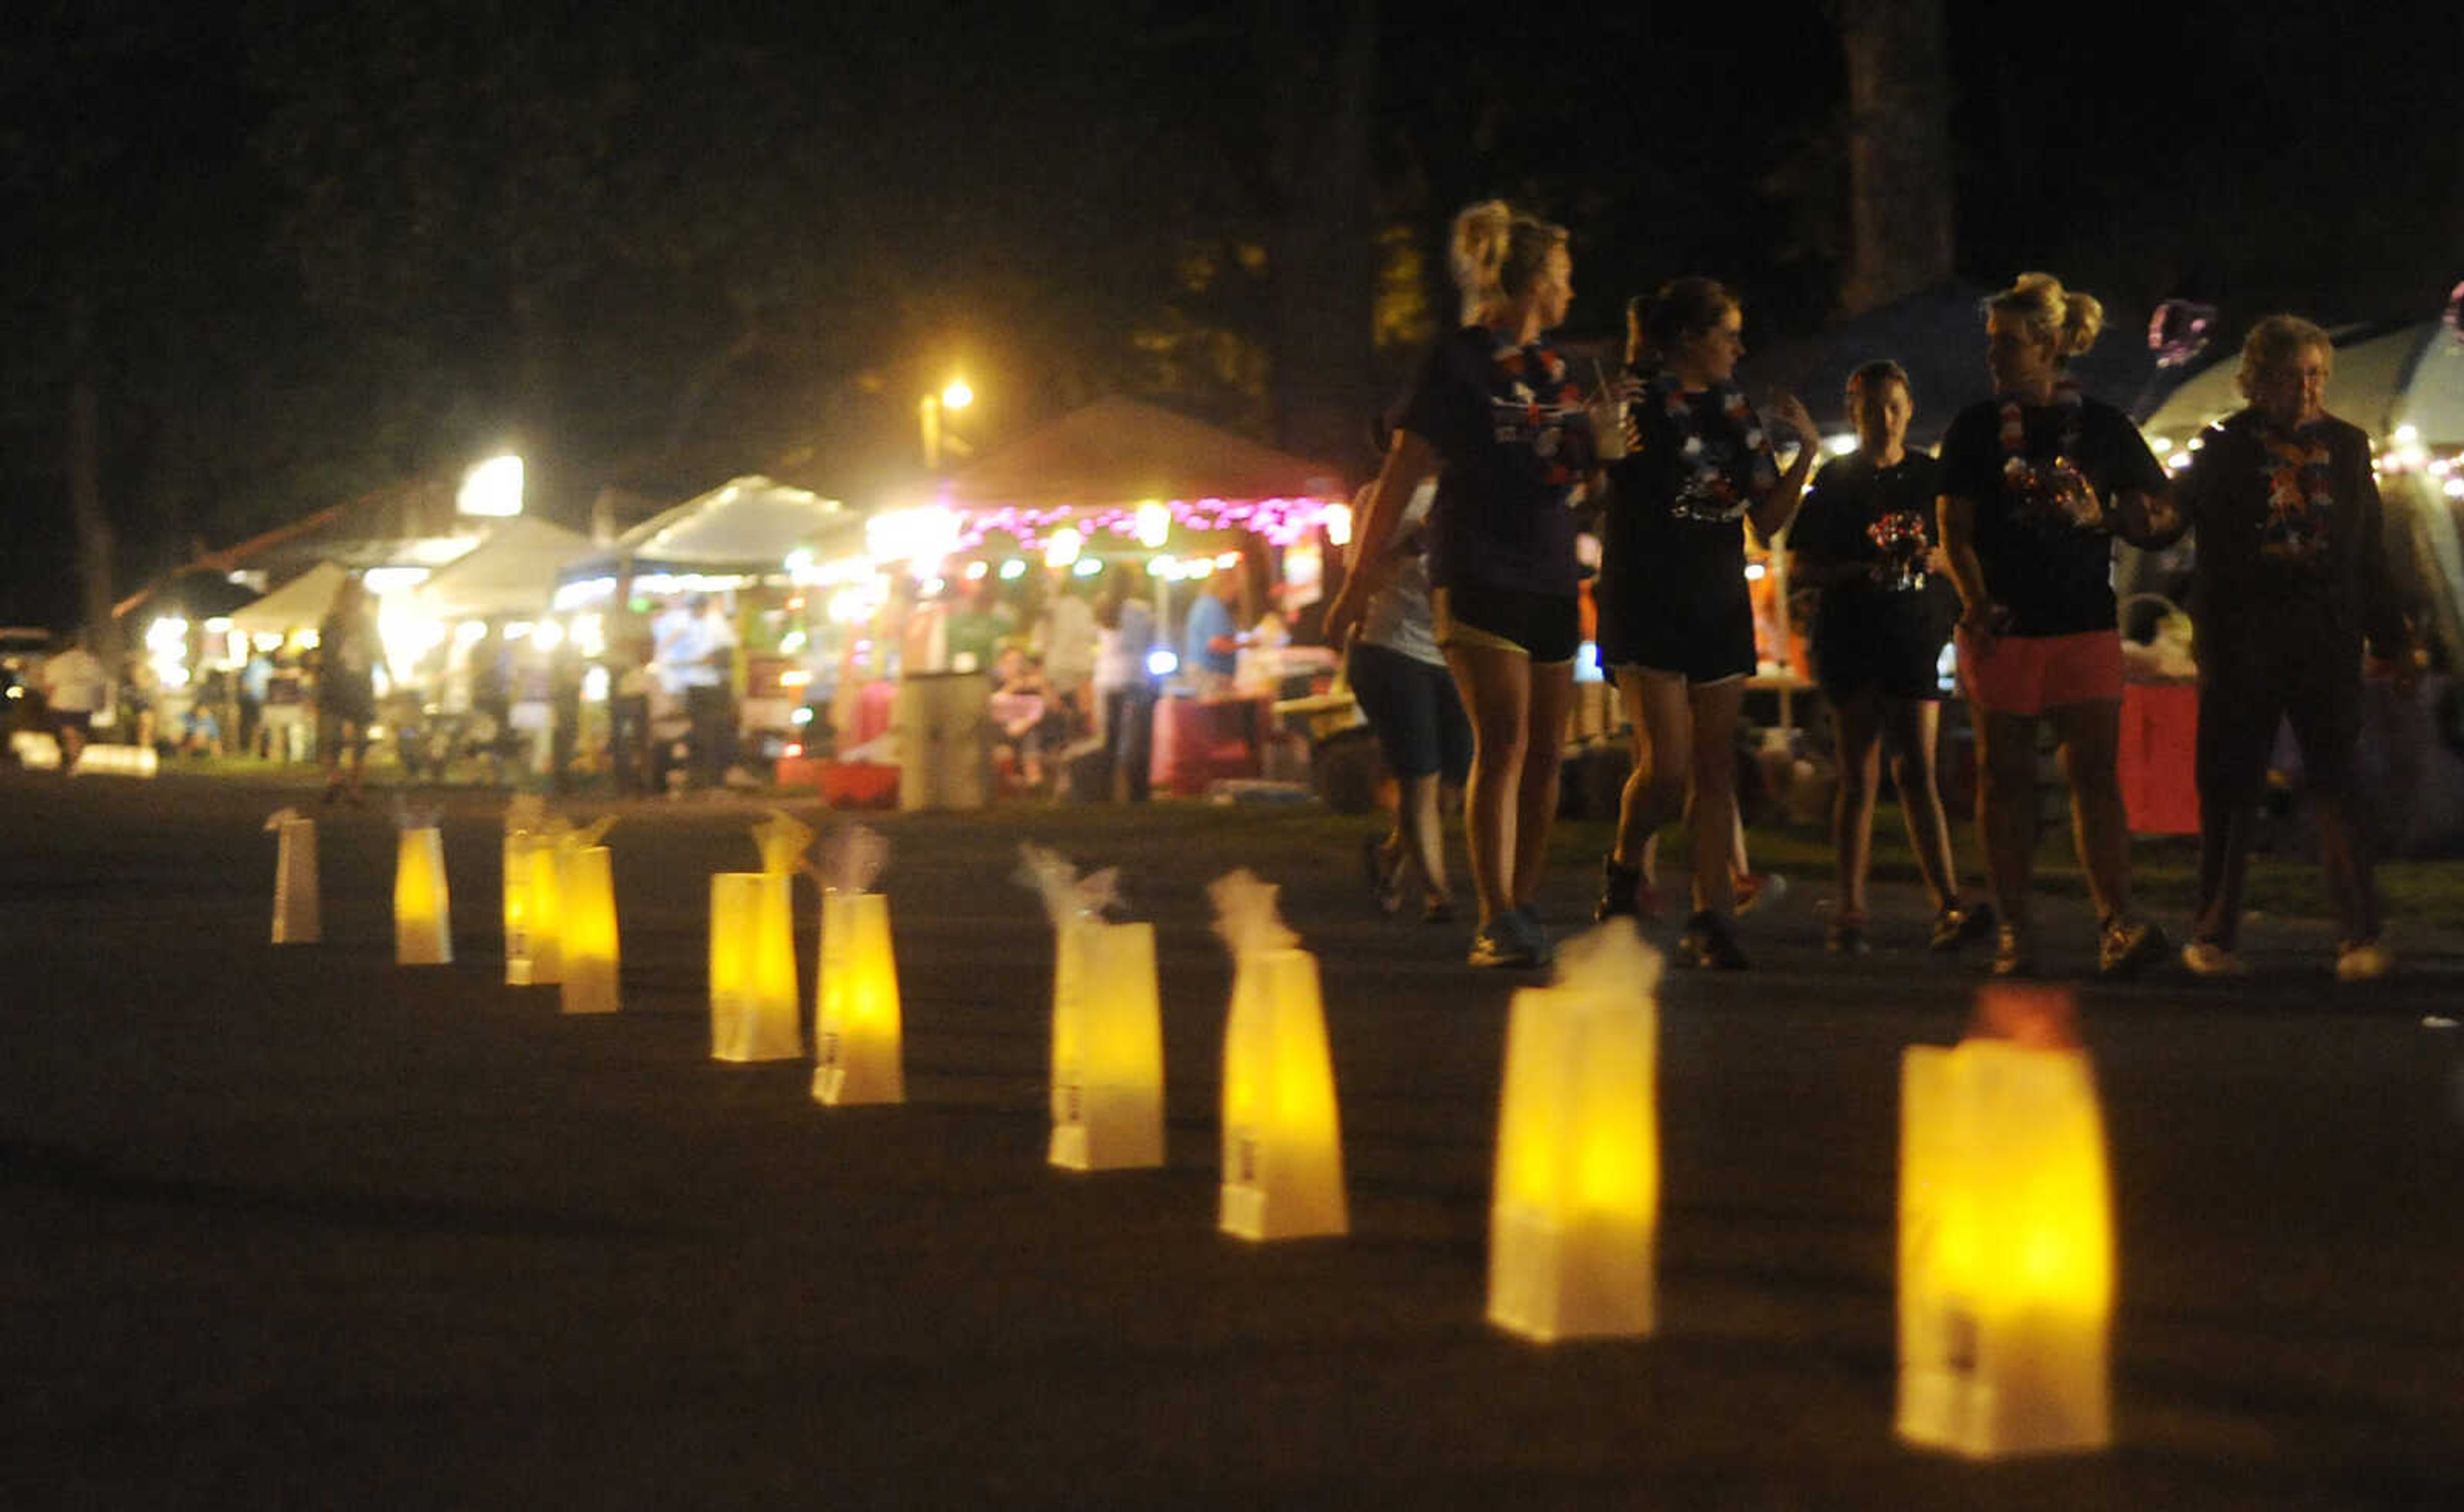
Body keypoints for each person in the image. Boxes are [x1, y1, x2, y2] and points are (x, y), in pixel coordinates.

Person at [1324, 200, 1593, 969]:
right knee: (1502, 742)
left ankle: (1526, 900)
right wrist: (1353, 591)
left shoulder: (1563, 371)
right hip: (1477, 569)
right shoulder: (1460, 361)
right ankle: (1494, 912)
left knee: (1547, 749)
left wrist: (1608, 451)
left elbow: (1572, 471)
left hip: (1550, 571)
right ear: (1534, 280)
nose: (1572, 291)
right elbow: (1403, 470)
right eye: (1564, 276)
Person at [2150, 315, 2416, 979]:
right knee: (2230, 787)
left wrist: (2393, 641)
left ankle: (2359, 936)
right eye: (2293, 375)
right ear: (2256, 382)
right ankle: (2214, 934)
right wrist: (2124, 510)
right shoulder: (2222, 449)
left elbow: (2368, 557)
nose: (2307, 388)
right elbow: (2166, 523)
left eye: (2317, 374)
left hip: (2325, 640)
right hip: (2242, 641)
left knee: (2338, 786)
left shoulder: (2351, 449)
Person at [1937, 272, 2174, 977]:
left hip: (2083, 625)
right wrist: (1976, 602)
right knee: (2004, 781)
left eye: (2007, 343)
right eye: (1992, 343)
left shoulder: (2102, 427)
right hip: (2004, 629)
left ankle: (2116, 922)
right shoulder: (1976, 430)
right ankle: (2015, 928)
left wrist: (2114, 515)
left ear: (2048, 345)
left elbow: (2160, 511)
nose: (1993, 357)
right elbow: (1954, 530)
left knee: (2094, 778)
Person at [1593, 280, 1820, 968]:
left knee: (1715, 768)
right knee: (1666, 768)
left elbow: (1768, 519)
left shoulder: (1737, 412)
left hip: (1717, 602)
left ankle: (1711, 917)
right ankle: (1626, 867)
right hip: (1647, 599)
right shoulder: (1637, 407)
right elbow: (1611, 483)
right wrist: (1602, 448)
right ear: (1690, 338)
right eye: (1728, 332)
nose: (1739, 346)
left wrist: (1805, 452)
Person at [1790, 359, 1993, 955]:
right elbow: (1802, 567)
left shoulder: (1931, 478)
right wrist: (1861, 569)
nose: (1885, 418)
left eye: (1894, 406)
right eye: (1873, 406)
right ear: (1854, 410)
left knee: (1919, 773)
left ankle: (1948, 901)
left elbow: (1966, 547)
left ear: (1909, 410)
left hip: (1914, 636)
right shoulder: (1837, 480)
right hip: (1852, 637)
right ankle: (1850, 910)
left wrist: (1939, 562)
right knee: (1859, 775)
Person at [1344, 476, 1469, 922]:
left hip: (1455, 653)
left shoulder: (1473, 487)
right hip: (1392, 646)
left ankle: (1388, 856)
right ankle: (1438, 895)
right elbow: (1361, 573)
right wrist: (1414, 542)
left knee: (1451, 788)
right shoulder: (1378, 497)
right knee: (1419, 777)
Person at [1091, 564, 1157, 801]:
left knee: (1111, 737)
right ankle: (1138, 792)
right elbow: (1148, 641)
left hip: (1108, 679)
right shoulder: (1141, 610)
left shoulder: (1101, 607)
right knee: (1138, 738)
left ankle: (1105, 790)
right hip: (1135, 677)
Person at [314, 575, 381, 804]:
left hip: (359, 687)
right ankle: (335, 779)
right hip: (336, 686)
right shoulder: (332, 623)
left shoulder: (366, 624)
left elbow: (378, 652)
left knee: (360, 742)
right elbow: (323, 658)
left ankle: (354, 787)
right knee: (332, 739)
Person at [40, 631, 108, 774]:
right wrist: (101, 702)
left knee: (70, 733)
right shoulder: (92, 661)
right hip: (85, 702)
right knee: (81, 733)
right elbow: (101, 685)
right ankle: (75, 761)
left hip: (63, 702)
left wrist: (48, 701)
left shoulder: (57, 662)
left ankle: (73, 762)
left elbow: (49, 686)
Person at [1181, 570, 1242, 697]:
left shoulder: (1202, 604)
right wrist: (1248, 644)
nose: (1236, 592)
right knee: (1217, 713)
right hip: (1212, 674)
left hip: (1202, 671)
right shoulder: (1213, 607)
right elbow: (1217, 644)